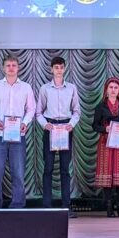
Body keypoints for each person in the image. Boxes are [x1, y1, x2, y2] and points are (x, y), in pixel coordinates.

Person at [0, 55, 36, 209]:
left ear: (18, 68)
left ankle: (18, 206)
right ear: (3, 68)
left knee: (18, 173)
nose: (11, 68)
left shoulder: (26, 87)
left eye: (14, 65)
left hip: (18, 136)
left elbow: (31, 109)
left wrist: (25, 122)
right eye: (8, 65)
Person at [36, 56, 80, 216]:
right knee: (48, 168)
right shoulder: (45, 89)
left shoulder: (72, 88)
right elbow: (38, 112)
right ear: (51, 69)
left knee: (65, 169)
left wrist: (71, 124)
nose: (59, 70)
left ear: (64, 68)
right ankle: (47, 206)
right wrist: (45, 124)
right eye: (56, 67)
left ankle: (66, 206)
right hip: (51, 128)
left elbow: (76, 111)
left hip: (66, 129)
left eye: (61, 67)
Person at [93, 77, 119, 217]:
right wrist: (105, 129)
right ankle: (109, 207)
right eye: (111, 87)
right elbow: (94, 125)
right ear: (106, 90)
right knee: (108, 174)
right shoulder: (100, 106)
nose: (113, 90)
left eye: (116, 87)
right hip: (106, 143)